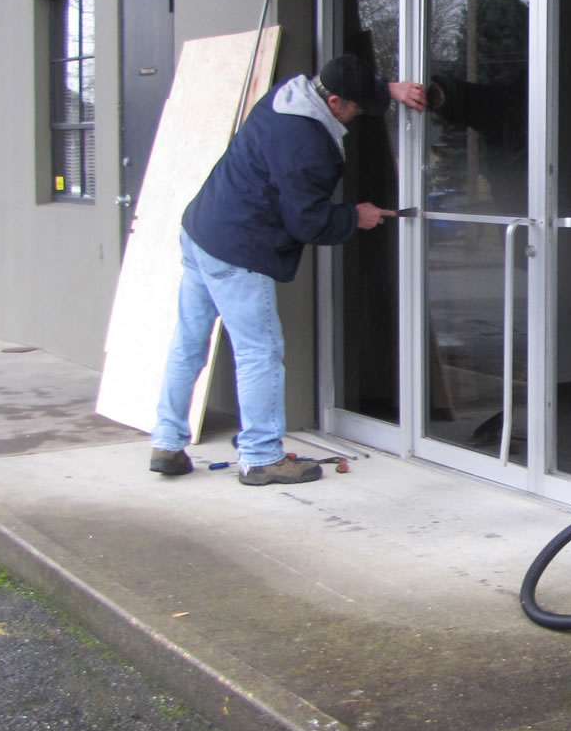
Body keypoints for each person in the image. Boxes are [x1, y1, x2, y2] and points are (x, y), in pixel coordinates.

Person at [149, 54, 427, 484]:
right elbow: (307, 221)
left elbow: (352, 85)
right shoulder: (306, 144)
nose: (356, 118)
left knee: (189, 342)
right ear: (334, 102)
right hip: (237, 249)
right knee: (260, 350)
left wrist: (390, 88)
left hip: (202, 230)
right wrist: (356, 217)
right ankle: (261, 456)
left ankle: (166, 444)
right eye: (355, 108)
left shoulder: (290, 93)